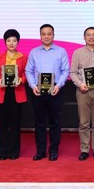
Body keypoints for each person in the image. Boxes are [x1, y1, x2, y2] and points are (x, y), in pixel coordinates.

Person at [25, 24, 70, 162]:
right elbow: (28, 70)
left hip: (55, 89)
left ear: (53, 35)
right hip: (38, 90)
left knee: (55, 122)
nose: (46, 36)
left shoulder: (61, 51)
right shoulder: (34, 52)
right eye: (43, 34)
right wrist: (33, 86)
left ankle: (53, 151)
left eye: (49, 34)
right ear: (40, 36)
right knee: (39, 122)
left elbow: (65, 70)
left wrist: (58, 85)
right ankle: (40, 151)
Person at [70, 27, 94, 161]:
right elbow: (73, 72)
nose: (91, 37)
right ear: (84, 37)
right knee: (84, 122)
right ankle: (84, 149)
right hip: (83, 90)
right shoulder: (77, 52)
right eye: (88, 35)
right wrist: (79, 84)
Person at [0, 29, 27, 160]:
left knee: (15, 124)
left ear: (18, 42)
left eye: (14, 41)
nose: (11, 43)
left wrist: (21, 80)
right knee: (3, 123)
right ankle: (2, 152)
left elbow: (26, 74)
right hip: (2, 93)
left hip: (17, 92)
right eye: (9, 40)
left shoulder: (23, 57)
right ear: (5, 42)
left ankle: (14, 152)